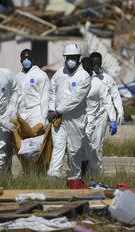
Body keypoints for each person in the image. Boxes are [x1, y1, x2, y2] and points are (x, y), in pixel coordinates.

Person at [47, 44, 91, 179]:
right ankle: (53, 175)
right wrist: (51, 108)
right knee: (58, 147)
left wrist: (57, 110)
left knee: (74, 149)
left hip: (75, 119)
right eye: (68, 58)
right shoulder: (59, 73)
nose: (70, 60)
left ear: (78, 58)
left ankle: (75, 176)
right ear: (65, 58)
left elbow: (75, 99)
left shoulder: (84, 77)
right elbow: (52, 91)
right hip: (59, 119)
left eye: (73, 58)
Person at [80, 58, 117, 174]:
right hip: (77, 119)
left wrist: (113, 119)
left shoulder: (98, 83)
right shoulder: (76, 80)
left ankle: (92, 173)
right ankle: (78, 173)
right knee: (76, 148)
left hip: (92, 119)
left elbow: (107, 101)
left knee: (93, 147)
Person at [14, 49, 50, 130]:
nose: (26, 60)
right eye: (24, 59)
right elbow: (15, 97)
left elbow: (45, 97)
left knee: (35, 140)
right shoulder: (17, 76)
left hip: (35, 113)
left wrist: (43, 118)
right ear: (20, 61)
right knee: (23, 141)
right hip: (21, 114)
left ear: (33, 59)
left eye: (28, 58)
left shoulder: (40, 75)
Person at [89, 52, 125, 125]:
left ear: (101, 63)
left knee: (98, 137)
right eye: (94, 63)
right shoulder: (85, 78)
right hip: (87, 115)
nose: (96, 66)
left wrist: (120, 112)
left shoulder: (107, 79)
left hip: (102, 116)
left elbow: (115, 95)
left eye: (98, 63)